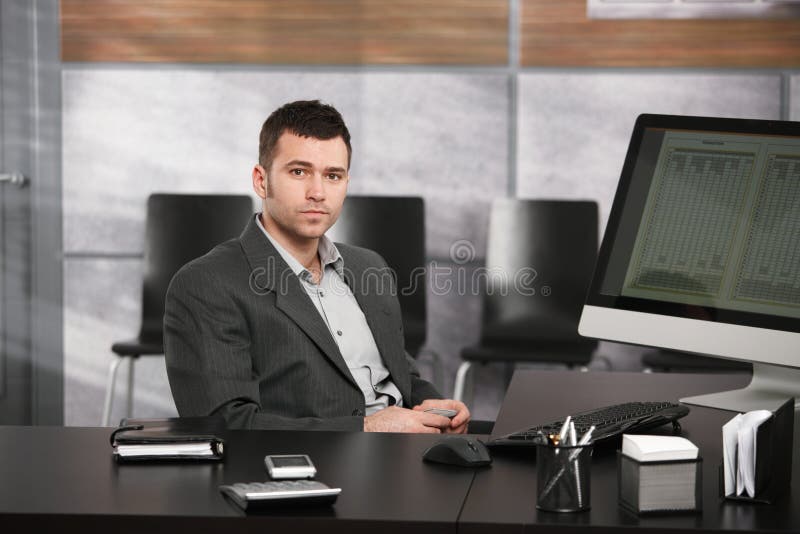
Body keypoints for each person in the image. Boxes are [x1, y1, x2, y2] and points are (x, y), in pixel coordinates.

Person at [164, 99, 470, 433]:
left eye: (333, 175)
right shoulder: (206, 284)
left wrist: (435, 406)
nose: (318, 192)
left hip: (411, 448)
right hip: (319, 460)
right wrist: (367, 428)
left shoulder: (370, 267)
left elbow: (399, 376)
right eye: (299, 172)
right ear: (261, 180)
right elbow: (227, 426)